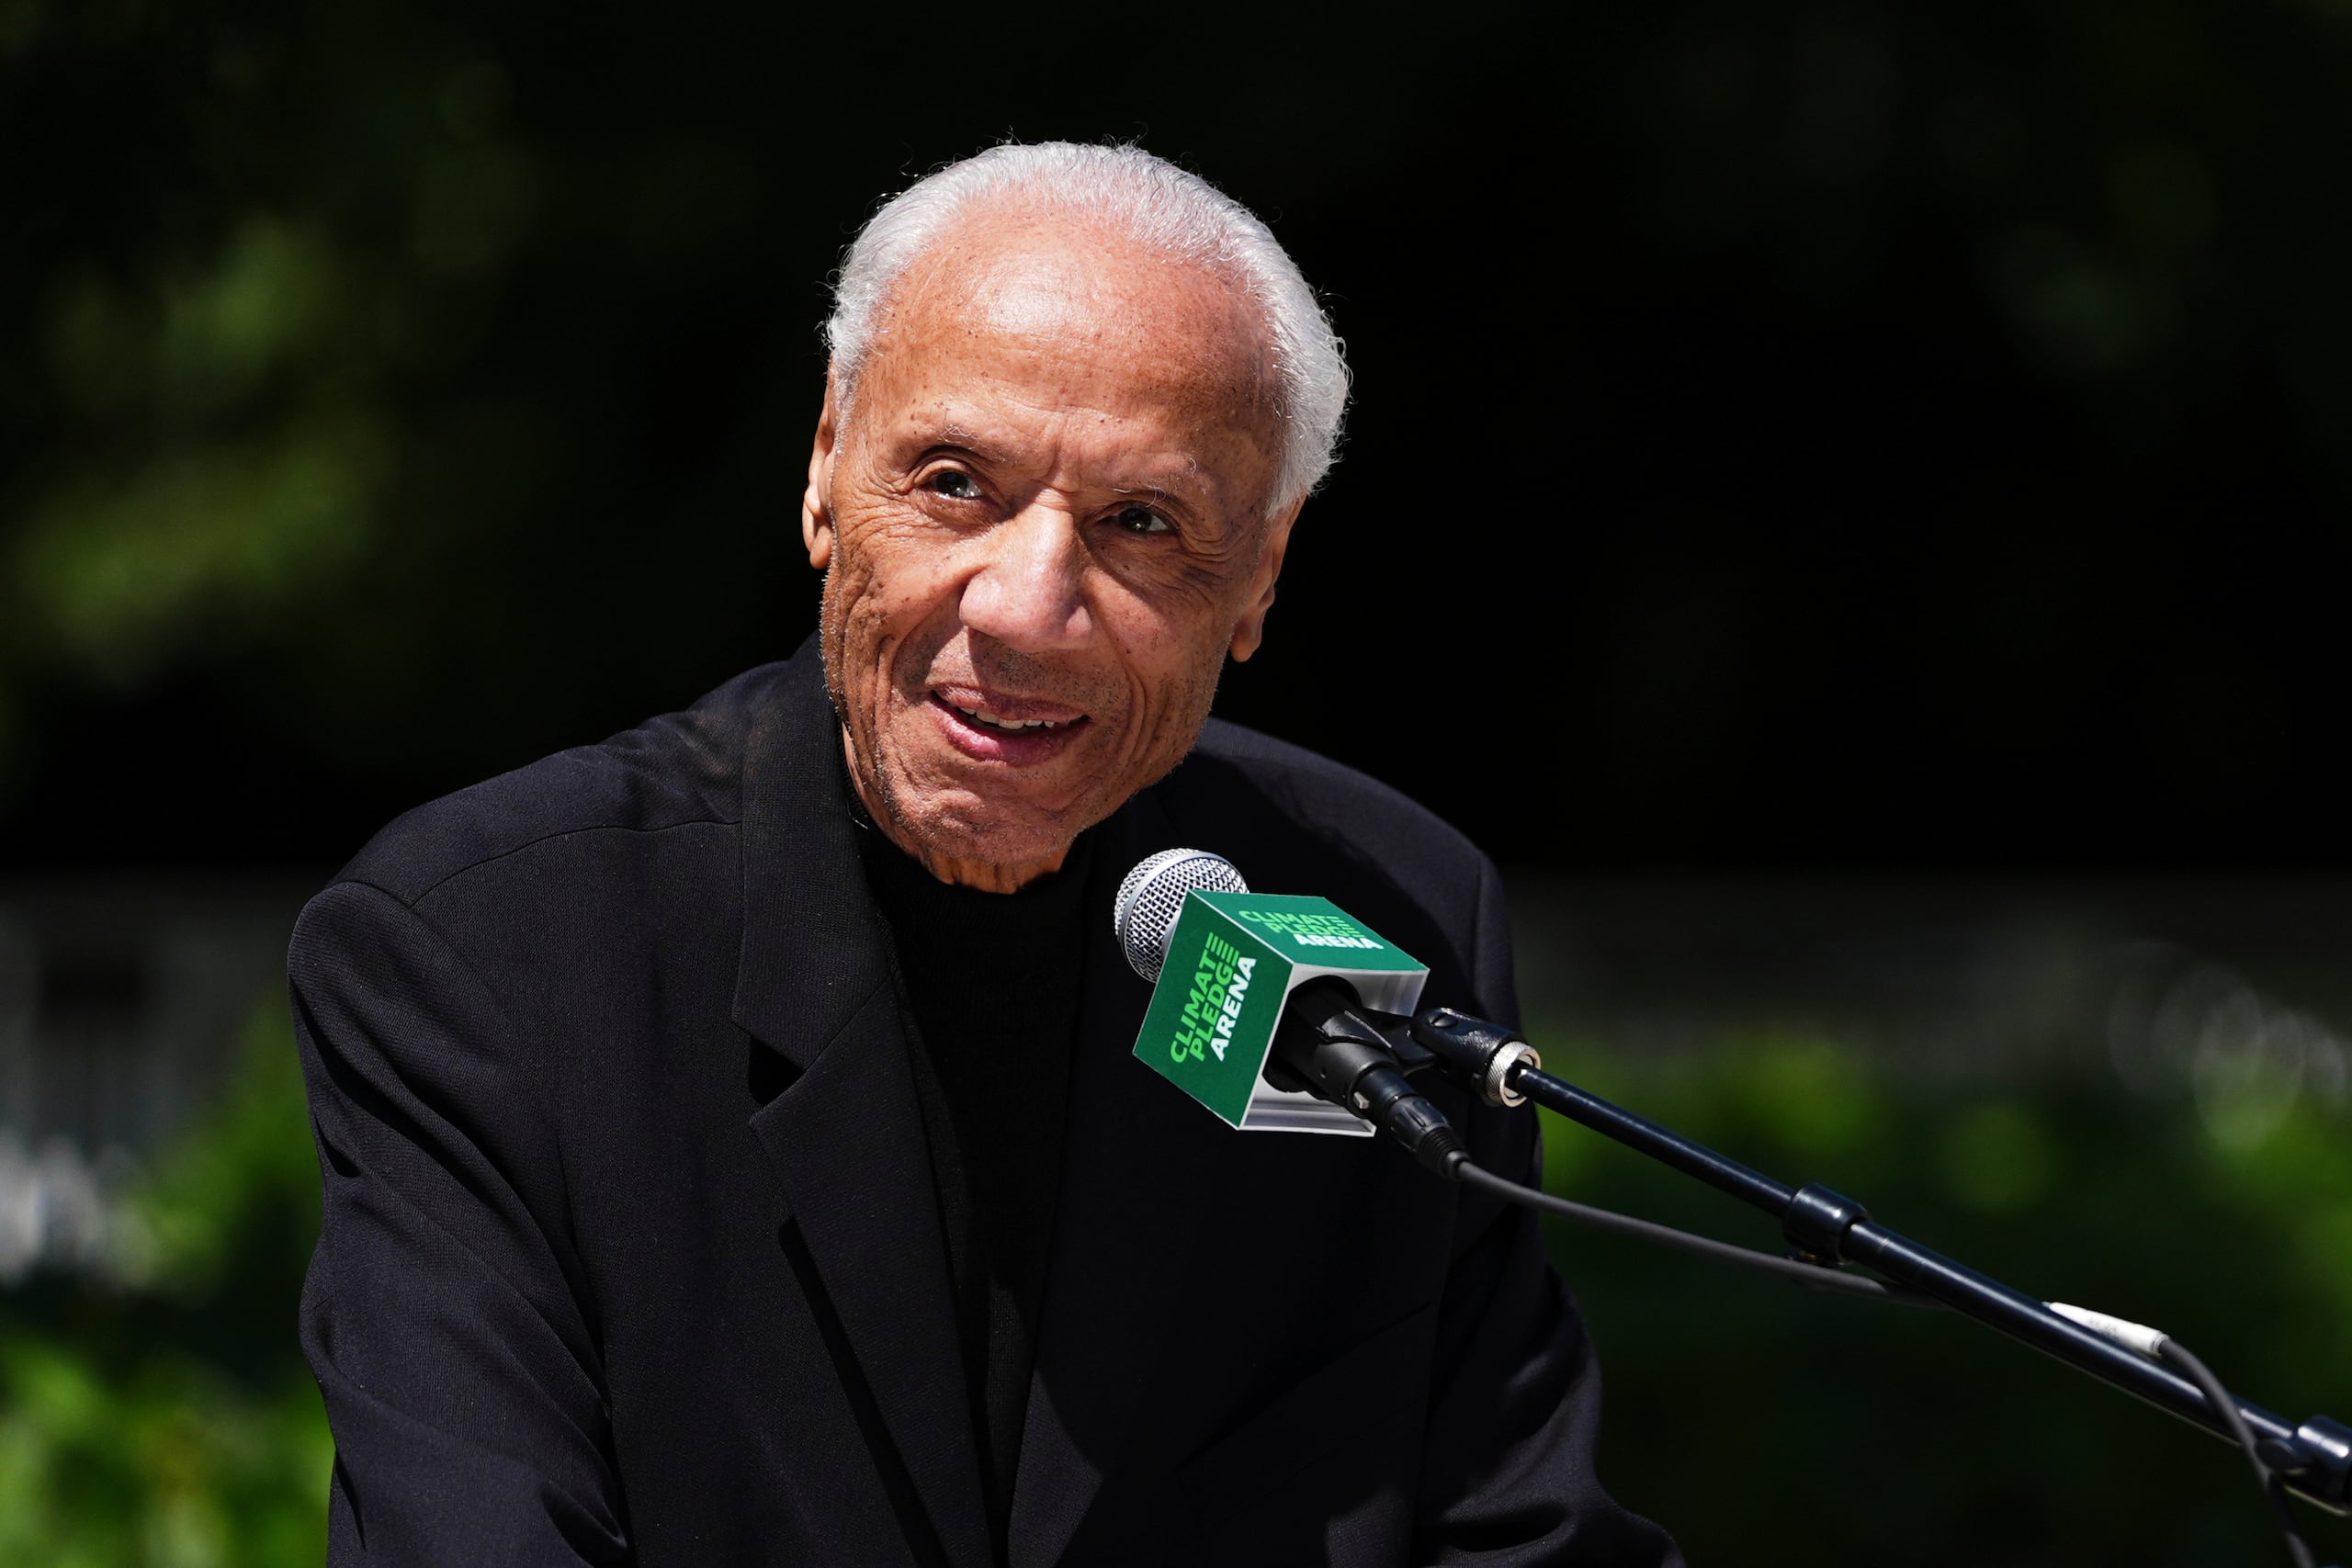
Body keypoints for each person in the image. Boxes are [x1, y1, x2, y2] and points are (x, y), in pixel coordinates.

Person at [291, 141, 1679, 1567]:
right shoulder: (493, 948)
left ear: (1262, 573)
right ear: (828, 467)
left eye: (1143, 524)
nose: (1027, 609)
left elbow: (1522, 1539)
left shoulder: (1389, 910)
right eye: (956, 483)